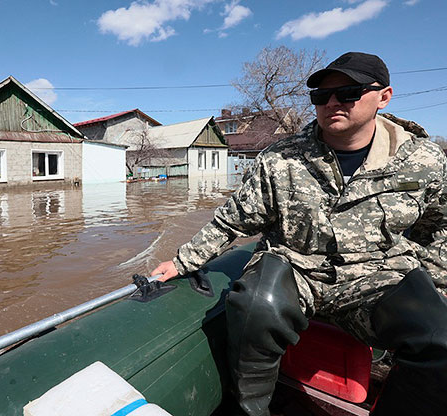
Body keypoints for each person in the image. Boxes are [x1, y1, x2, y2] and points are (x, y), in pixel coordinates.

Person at [152, 52, 447, 416]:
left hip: (378, 274)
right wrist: (183, 261)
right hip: (295, 266)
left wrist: (436, 284)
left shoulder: (424, 160)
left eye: (349, 92)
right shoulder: (281, 158)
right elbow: (233, 220)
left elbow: (439, 224)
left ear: (384, 96)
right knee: (254, 306)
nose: (333, 103)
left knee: (440, 338)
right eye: (321, 96)